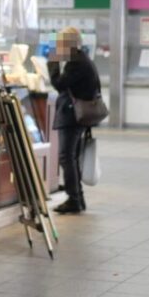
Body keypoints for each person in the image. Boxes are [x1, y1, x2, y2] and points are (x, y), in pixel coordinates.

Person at [48, 26, 101, 214]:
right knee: (71, 157)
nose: (57, 47)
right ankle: (78, 198)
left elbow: (59, 84)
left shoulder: (76, 63)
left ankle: (74, 199)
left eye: (59, 43)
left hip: (73, 118)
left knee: (66, 157)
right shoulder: (82, 59)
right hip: (78, 117)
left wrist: (52, 63)